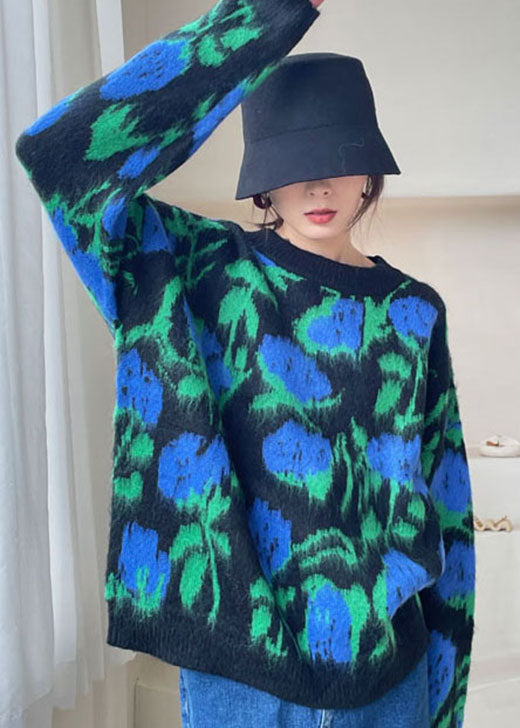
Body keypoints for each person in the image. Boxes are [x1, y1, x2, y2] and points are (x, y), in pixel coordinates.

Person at [14, 1, 476, 727]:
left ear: (370, 171)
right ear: (261, 178)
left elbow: (448, 513)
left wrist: (446, 707)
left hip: (393, 675)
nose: (319, 186)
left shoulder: (415, 312)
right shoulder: (198, 270)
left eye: (339, 158)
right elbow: (64, 155)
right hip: (244, 677)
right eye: (294, 163)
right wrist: (266, 16)